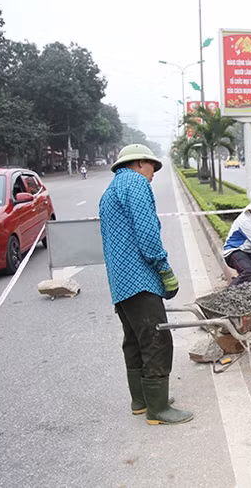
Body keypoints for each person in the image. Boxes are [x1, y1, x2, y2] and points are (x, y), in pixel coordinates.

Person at [99, 143, 193, 426]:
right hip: (140, 280)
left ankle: (141, 400)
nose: (153, 173)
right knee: (156, 339)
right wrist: (163, 267)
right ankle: (158, 409)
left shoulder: (110, 191)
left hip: (120, 283)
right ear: (139, 163)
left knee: (135, 340)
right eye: (152, 166)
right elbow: (147, 231)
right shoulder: (136, 183)